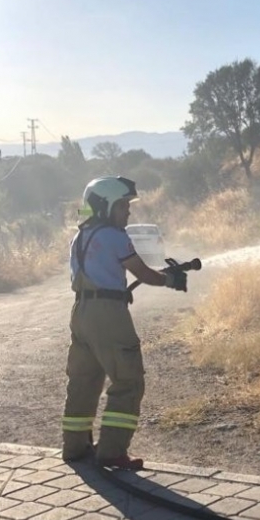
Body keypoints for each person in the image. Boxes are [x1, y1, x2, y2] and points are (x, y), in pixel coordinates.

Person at [61, 176, 187, 470]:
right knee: (128, 380)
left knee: (84, 381)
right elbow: (142, 273)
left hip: (81, 312)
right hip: (108, 315)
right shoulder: (115, 237)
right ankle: (112, 451)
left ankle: (75, 447)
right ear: (105, 207)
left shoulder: (79, 238)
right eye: (122, 206)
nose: (127, 212)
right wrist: (171, 279)